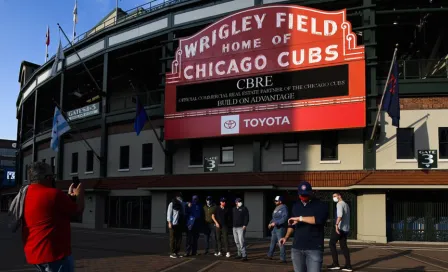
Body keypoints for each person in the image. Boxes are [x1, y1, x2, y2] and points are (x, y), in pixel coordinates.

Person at [22, 162, 84, 272]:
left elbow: (52, 210)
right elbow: (78, 211)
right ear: (47, 177)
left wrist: (69, 197)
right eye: (52, 176)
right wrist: (80, 194)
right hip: (54, 254)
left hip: (34, 252)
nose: (53, 179)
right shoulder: (54, 194)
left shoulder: (26, 193)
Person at [279, 181, 328, 272]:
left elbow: (318, 220)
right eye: (301, 195)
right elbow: (291, 224)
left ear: (311, 193)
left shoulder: (321, 205)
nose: (303, 197)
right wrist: (286, 237)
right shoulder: (296, 206)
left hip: (314, 248)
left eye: (306, 195)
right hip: (297, 248)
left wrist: (300, 218)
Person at [328, 192, 353, 271]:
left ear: (339, 196)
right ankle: (348, 265)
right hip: (345, 229)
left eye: (335, 196)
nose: (334, 198)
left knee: (331, 243)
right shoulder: (346, 205)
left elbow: (340, 215)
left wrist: (336, 225)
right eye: (333, 196)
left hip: (339, 228)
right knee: (344, 246)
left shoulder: (339, 204)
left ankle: (336, 264)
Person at [266, 195, 288, 263]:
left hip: (280, 228)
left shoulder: (284, 208)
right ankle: (270, 255)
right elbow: (274, 218)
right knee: (272, 242)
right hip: (274, 228)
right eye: (275, 201)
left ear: (280, 201)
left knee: (280, 243)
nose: (275, 202)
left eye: (276, 201)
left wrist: (276, 223)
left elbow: (284, 218)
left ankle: (283, 258)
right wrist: (270, 223)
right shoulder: (276, 207)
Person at [167, 192, 186, 258]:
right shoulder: (172, 204)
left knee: (179, 239)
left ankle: (177, 252)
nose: (180, 198)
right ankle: (172, 252)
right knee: (173, 238)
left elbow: (184, 212)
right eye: (179, 197)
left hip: (180, 224)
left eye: (181, 197)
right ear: (176, 197)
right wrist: (169, 222)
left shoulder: (182, 204)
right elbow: (169, 213)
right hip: (173, 223)